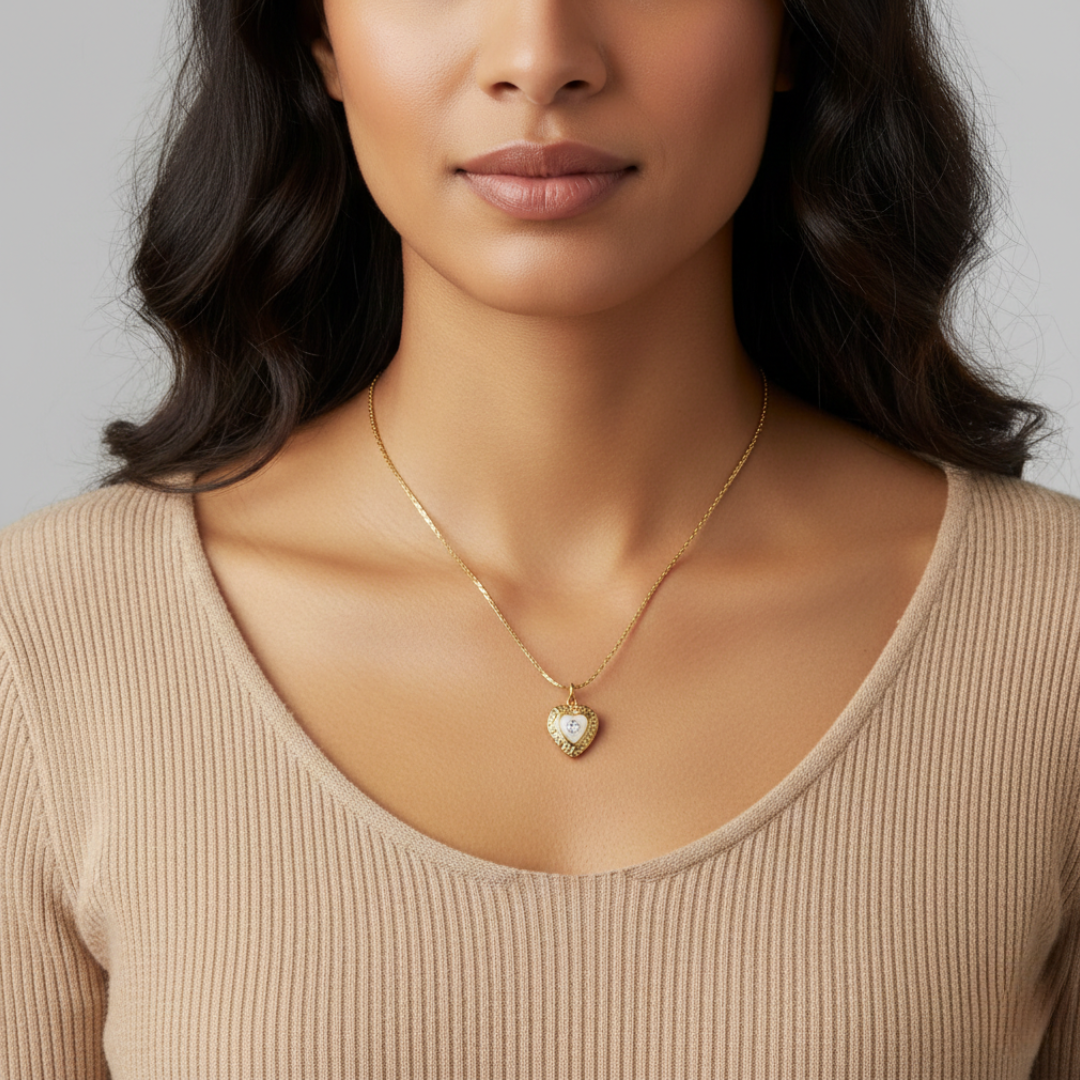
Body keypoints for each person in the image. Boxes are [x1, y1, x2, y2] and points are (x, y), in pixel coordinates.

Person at [1, 0, 1077, 1072]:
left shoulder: (1049, 629)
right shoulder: (49, 638)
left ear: (797, 29)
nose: (540, 59)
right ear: (315, 35)